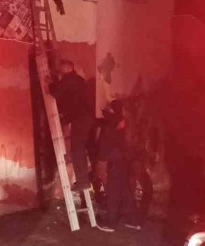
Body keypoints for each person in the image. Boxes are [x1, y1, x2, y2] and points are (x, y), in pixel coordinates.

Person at [96, 100, 142, 233]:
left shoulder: (112, 123)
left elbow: (105, 145)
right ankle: (133, 220)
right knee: (125, 191)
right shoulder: (126, 122)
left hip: (114, 162)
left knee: (113, 192)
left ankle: (111, 223)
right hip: (123, 161)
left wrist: (101, 165)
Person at [49, 60, 94, 192]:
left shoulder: (69, 79)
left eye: (62, 69)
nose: (61, 71)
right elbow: (75, 101)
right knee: (79, 149)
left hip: (80, 119)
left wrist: (49, 83)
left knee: (76, 150)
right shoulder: (79, 80)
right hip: (86, 118)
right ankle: (84, 181)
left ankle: (83, 182)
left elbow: (56, 93)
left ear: (69, 68)